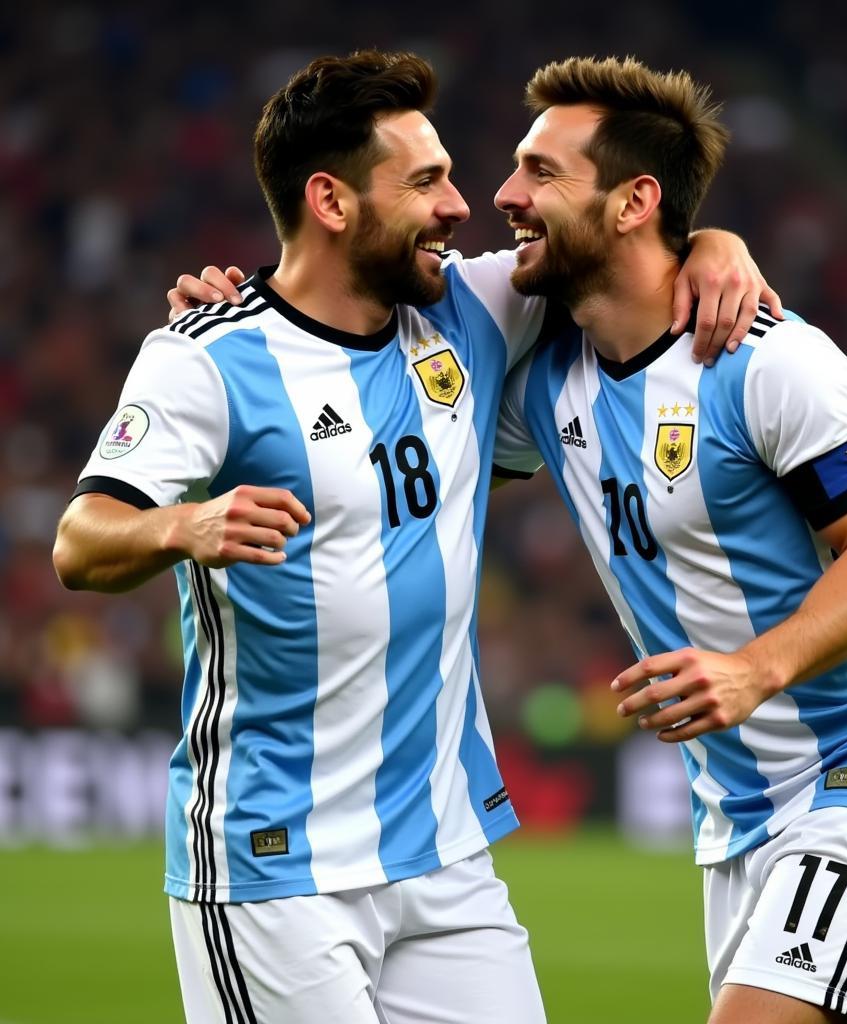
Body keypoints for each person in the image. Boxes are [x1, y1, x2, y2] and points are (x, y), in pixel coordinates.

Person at [54, 51, 776, 1024]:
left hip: (445, 859)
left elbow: (614, 244)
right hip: (276, 866)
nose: (459, 206)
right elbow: (80, 540)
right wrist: (188, 522)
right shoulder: (206, 359)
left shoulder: (470, 309)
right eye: (425, 181)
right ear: (333, 201)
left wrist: (712, 242)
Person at [488, 57, 847, 1024]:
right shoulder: (544, 378)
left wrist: (756, 668)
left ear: (636, 201)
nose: (506, 195)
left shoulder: (768, 361)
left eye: (542, 172)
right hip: (740, 814)